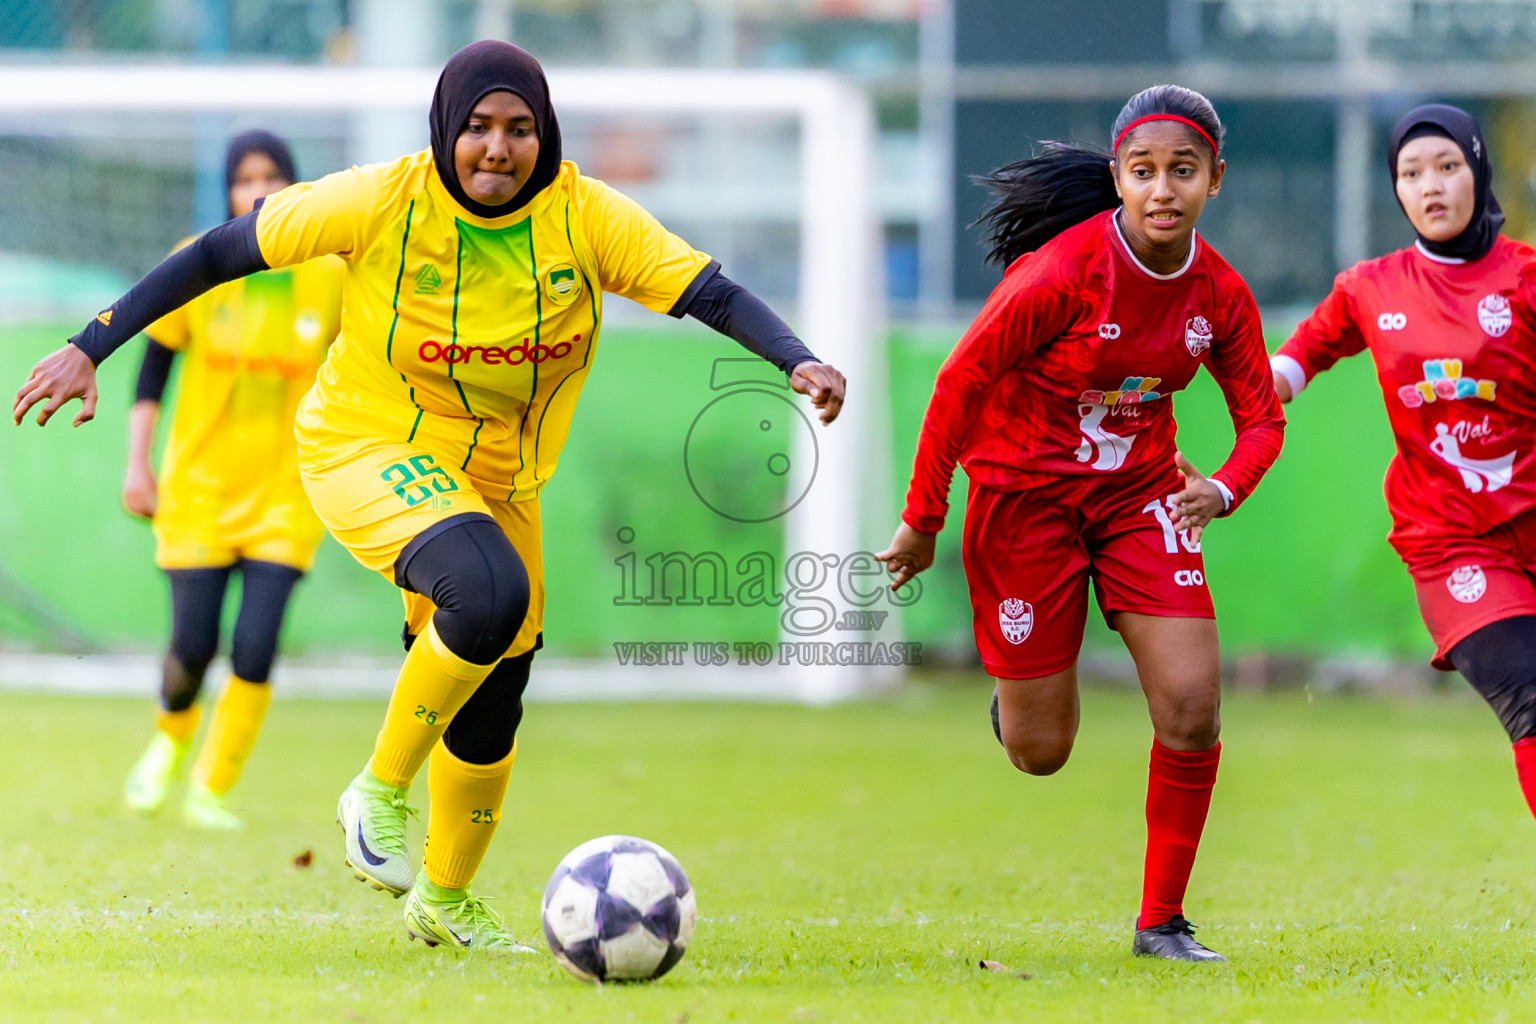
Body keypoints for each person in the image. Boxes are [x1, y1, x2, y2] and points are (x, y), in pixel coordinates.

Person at [15, 41, 846, 952]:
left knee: (495, 692)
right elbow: (219, 252)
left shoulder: (588, 217)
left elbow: (709, 293)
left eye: (520, 129)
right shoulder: (377, 199)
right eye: (479, 127)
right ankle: (377, 789)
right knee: (487, 591)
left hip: (501, 480)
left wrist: (795, 358)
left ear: (545, 134)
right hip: (365, 442)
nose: (497, 148)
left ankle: (444, 899)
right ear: (447, 128)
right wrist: (90, 345)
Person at [877, 85, 1284, 962]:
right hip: (1025, 504)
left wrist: (1222, 489)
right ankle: (1018, 695)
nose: (1163, 189)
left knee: (1193, 708)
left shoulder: (1219, 293)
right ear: (1118, 177)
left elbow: (1262, 420)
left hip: (1141, 498)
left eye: (1183, 170)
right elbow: (959, 381)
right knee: (1041, 752)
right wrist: (922, 520)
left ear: (1215, 178)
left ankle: (1162, 923)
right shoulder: (1061, 274)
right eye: (1144, 171)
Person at [1272, 105, 1536, 835]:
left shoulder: (1525, 278)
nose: (1431, 186)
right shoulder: (1372, 287)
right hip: (1451, 541)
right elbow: (1299, 356)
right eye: (1411, 173)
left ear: (1478, 171)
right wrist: (1254, 386)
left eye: (1448, 167)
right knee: (1528, 693)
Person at [120, 130, 344, 830]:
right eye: (246, 179)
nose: (261, 190)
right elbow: (152, 371)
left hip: (287, 493)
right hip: (200, 489)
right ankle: (170, 738)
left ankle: (212, 789)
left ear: (295, 186)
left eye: (273, 176)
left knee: (255, 644)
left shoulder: (331, 275)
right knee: (193, 647)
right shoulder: (197, 262)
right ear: (229, 191)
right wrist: (137, 464)